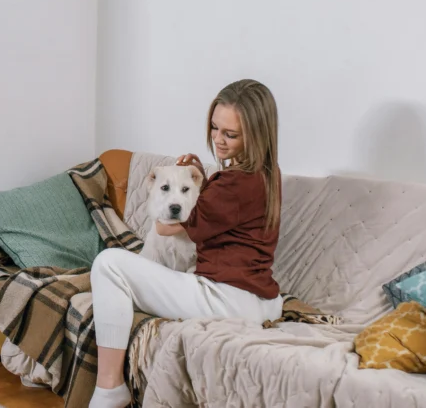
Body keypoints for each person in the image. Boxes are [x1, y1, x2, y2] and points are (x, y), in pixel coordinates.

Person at [88, 79, 284, 408]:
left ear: (256, 133)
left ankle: (109, 388)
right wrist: (200, 178)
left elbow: (168, 228)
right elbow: (223, 213)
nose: (218, 140)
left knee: (108, 263)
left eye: (230, 134)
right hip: (264, 298)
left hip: (225, 298)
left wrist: (187, 189)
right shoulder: (267, 173)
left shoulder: (233, 183)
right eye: (214, 128)